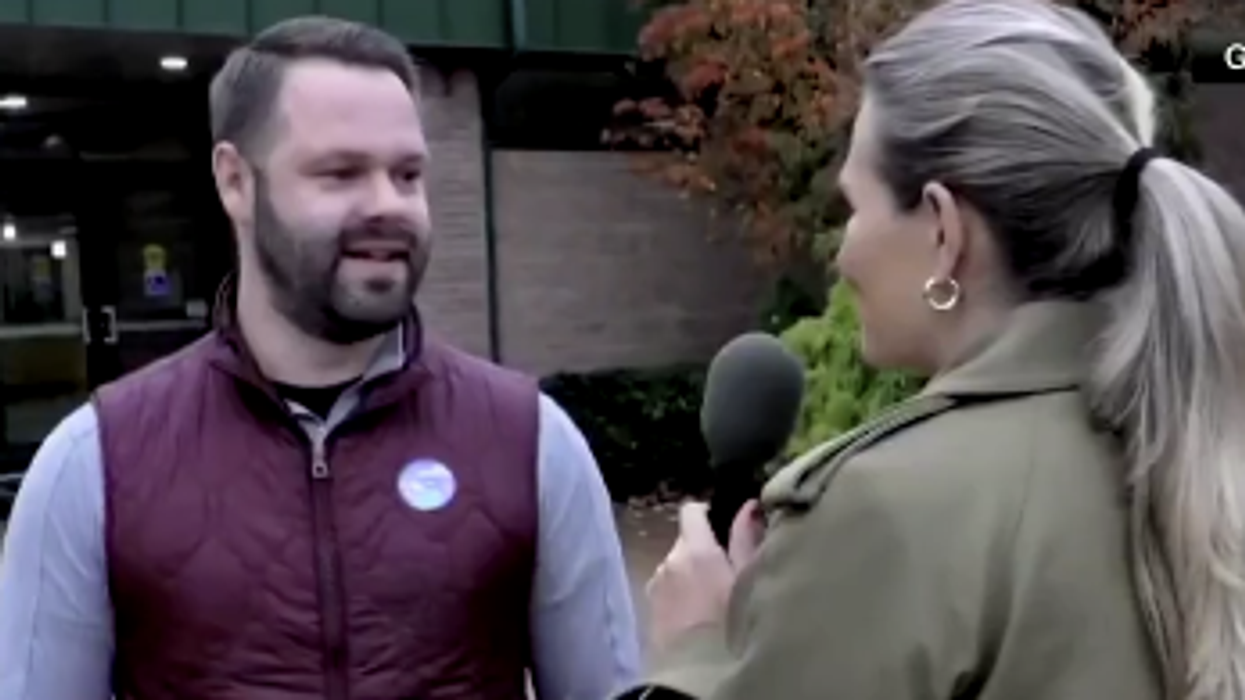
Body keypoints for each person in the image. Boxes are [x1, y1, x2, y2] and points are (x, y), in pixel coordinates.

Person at [0, 16, 641, 700]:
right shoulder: (94, 465)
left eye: (407, 173)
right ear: (235, 182)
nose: (388, 206)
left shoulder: (531, 443)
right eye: (340, 173)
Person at [622, 1, 1245, 699]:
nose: (845, 252)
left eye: (854, 208)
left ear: (945, 232)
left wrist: (694, 651)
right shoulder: (1194, 441)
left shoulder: (887, 507)